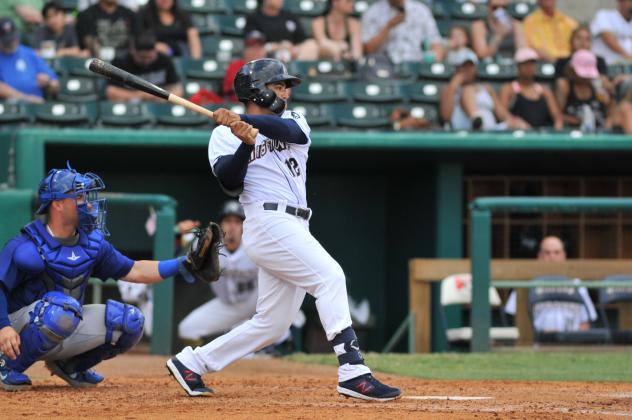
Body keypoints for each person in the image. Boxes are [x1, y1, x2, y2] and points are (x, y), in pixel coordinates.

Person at [166, 58, 401, 402]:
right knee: (330, 277)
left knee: (273, 324)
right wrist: (244, 143)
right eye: (278, 86)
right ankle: (353, 370)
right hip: (265, 222)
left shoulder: (292, 120)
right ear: (255, 89)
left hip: (295, 224)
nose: (286, 92)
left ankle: (193, 363)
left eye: (285, 86)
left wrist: (243, 121)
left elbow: (290, 134)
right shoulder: (221, 135)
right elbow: (231, 184)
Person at [0, 164, 201, 391]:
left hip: (63, 318)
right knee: (62, 309)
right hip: (14, 329)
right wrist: (3, 327)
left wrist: (185, 263)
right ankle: (8, 365)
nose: (87, 202)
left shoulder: (92, 244)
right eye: (79, 196)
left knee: (130, 321)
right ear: (57, 204)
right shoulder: (27, 245)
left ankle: (71, 366)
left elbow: (134, 270)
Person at [178, 201, 258, 345]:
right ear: (220, 225)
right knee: (187, 329)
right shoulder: (208, 245)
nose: (232, 226)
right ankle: (198, 361)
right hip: (226, 305)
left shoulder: (256, 246)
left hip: (255, 304)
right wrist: (179, 232)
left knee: (279, 321)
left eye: (238, 221)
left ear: (244, 226)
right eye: (228, 221)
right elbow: (183, 241)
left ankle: (277, 351)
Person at [505, 236, 598, 333]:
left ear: (564, 255)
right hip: (536, 341)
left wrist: (574, 339)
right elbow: (513, 319)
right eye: (547, 252)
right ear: (539, 256)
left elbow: (586, 322)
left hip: (571, 341)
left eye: (557, 252)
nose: (552, 257)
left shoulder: (576, 283)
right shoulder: (528, 282)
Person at [440, 48, 527, 131]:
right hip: (464, 132)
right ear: (457, 68)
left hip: (491, 131)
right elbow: (446, 116)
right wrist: (454, 84)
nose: (467, 70)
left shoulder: (486, 88)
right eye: (464, 66)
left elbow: (501, 114)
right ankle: (475, 118)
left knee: (521, 125)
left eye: (471, 66)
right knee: (467, 90)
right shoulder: (449, 89)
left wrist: (513, 121)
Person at [105, 31, 182, 102]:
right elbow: (111, 92)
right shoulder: (120, 62)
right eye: (142, 57)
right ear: (133, 51)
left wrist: (158, 97)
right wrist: (141, 95)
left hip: (159, 104)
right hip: (131, 106)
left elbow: (177, 90)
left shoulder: (164, 60)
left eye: (150, 57)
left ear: (155, 51)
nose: (146, 61)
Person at [361, 0, 444, 65]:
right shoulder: (372, 12)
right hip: (383, 64)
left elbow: (437, 47)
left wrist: (430, 57)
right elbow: (368, 49)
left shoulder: (421, 11)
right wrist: (388, 27)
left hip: (415, 64)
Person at [500, 47, 563, 130]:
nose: (529, 67)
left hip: (542, 136)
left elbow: (557, 118)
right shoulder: (508, 89)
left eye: (532, 63)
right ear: (518, 66)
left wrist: (557, 130)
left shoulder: (544, 91)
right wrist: (515, 122)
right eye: (525, 64)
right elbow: (501, 115)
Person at [0, 17, 58, 104]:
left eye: (13, 39)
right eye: (7, 41)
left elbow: (55, 84)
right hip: (7, 107)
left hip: (36, 106)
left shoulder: (30, 54)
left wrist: (48, 83)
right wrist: (26, 98)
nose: (11, 43)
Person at [244, 0, 319, 61]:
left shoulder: (290, 16)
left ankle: (296, 73)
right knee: (256, 51)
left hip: (292, 55)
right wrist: (278, 46)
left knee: (311, 44)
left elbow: (302, 41)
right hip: (268, 56)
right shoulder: (254, 18)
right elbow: (254, 45)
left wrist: (292, 49)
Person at [555, 49, 610, 130]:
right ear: (571, 70)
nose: (585, 78)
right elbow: (557, 116)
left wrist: (602, 89)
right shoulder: (565, 86)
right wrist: (581, 120)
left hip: (598, 132)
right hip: (571, 133)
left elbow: (609, 111)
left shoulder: (597, 85)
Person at [554, 25, 611, 95]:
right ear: (571, 41)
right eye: (578, 38)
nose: (583, 42)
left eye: (587, 39)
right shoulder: (562, 61)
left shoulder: (599, 60)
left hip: (594, 95)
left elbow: (604, 81)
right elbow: (560, 83)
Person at [137, 0, 201, 59]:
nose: (165, 0)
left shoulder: (183, 15)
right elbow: (139, 38)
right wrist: (155, 46)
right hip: (156, 56)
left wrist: (195, 61)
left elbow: (193, 38)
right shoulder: (144, 15)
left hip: (182, 54)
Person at [223, 30, 267, 102]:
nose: (256, 51)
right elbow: (234, 87)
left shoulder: (271, 66)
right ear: (245, 50)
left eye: (259, 47)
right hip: (238, 104)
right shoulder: (236, 65)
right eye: (252, 47)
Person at [590, 0, 632, 65]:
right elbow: (607, 37)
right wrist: (628, 56)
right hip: (606, 67)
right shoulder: (604, 15)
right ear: (620, 1)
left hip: (627, 68)